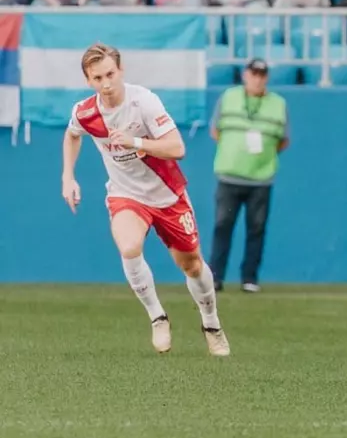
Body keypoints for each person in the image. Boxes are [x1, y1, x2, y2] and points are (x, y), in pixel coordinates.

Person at [60, 43, 231, 357]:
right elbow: (72, 135)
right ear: (88, 80)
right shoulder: (85, 112)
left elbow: (177, 148)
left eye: (110, 74)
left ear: (121, 70)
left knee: (192, 265)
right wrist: (68, 177)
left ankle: (211, 324)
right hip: (126, 194)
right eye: (97, 78)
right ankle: (157, 317)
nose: (106, 83)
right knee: (129, 247)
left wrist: (137, 142)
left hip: (167, 195)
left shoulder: (143, 102)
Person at [209, 59, 289, 293]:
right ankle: (215, 277)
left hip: (261, 177)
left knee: (257, 228)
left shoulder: (278, 104)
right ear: (245, 75)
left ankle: (249, 278)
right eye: (254, 74)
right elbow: (215, 131)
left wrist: (263, 156)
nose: (257, 79)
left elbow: (283, 140)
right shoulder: (229, 97)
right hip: (229, 175)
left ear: (267, 78)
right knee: (222, 225)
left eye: (262, 75)